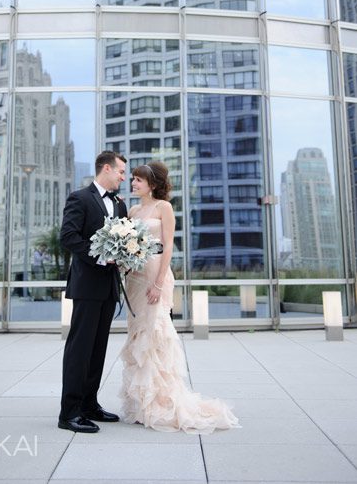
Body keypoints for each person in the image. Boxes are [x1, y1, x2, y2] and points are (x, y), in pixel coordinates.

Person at [120, 161, 240, 434]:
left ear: (152, 183)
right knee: (138, 334)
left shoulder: (164, 208)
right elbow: (128, 243)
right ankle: (142, 404)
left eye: (138, 180)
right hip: (135, 277)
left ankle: (162, 401)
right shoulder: (133, 210)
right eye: (133, 180)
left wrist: (159, 284)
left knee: (156, 334)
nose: (134, 184)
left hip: (155, 273)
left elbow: (168, 245)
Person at [58, 150, 127, 434]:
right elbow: (68, 236)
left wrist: (125, 257)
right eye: (121, 171)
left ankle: (89, 405)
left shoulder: (120, 206)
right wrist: (100, 256)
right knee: (80, 349)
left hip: (108, 287)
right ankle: (69, 413)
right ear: (107, 169)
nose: (124, 177)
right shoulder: (80, 197)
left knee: (98, 350)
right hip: (86, 285)